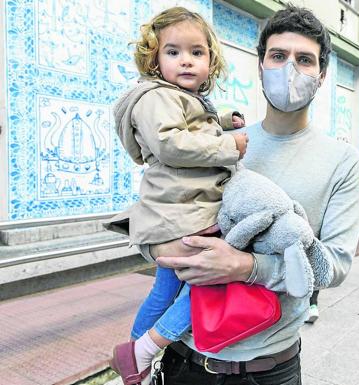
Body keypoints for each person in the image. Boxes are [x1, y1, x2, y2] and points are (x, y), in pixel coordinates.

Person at [138, 6, 359, 383]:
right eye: (278, 56)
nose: (290, 68)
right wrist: (160, 249)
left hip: (267, 368)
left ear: (322, 75)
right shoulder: (215, 142)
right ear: (260, 65)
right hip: (185, 358)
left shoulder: (342, 160)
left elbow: (334, 267)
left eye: (304, 60)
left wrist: (245, 267)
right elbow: (159, 208)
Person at [103, 7, 249, 384]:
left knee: (163, 291)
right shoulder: (155, 99)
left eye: (197, 53)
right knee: (213, 279)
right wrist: (229, 145)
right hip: (180, 219)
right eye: (173, 52)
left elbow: (192, 120)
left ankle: (131, 360)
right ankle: (145, 349)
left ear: (210, 61)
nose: (186, 60)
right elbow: (172, 143)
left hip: (174, 216)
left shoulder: (174, 98)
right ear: (154, 59)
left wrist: (227, 115)